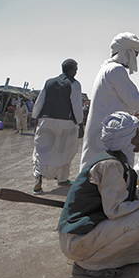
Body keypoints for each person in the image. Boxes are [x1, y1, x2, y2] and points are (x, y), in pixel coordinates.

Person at [57, 111, 139, 278]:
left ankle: (111, 258)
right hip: (76, 241)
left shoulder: (119, 163)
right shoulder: (111, 165)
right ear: (124, 140)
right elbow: (115, 210)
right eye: (136, 135)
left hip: (85, 235)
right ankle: (88, 264)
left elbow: (130, 193)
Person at [79, 32, 139, 172]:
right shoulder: (116, 70)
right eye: (135, 55)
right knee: (109, 170)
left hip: (105, 129)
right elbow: (135, 100)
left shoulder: (106, 69)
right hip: (111, 131)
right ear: (127, 53)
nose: (135, 59)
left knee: (98, 167)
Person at [31, 58, 84, 194]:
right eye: (76, 69)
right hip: (66, 122)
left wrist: (35, 117)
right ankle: (63, 179)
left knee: (41, 151)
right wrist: (80, 123)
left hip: (46, 120)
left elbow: (40, 101)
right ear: (71, 70)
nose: (76, 72)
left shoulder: (49, 82)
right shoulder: (74, 84)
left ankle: (38, 180)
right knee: (65, 150)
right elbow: (76, 105)